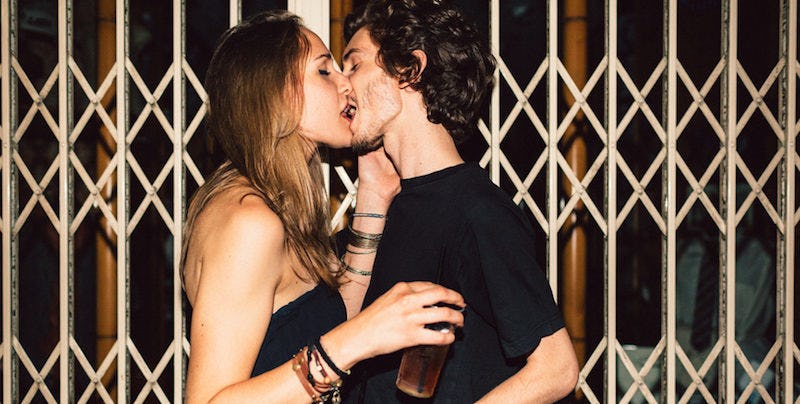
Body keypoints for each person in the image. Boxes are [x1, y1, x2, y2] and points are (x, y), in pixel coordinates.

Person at [180, 10, 465, 403]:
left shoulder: (282, 205)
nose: (346, 82)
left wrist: (373, 194)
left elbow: (329, 319)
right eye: (324, 71)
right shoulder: (249, 221)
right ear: (277, 94)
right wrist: (359, 338)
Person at [337, 1, 580, 402]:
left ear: (409, 70)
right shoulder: (389, 205)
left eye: (355, 65)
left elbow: (556, 368)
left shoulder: (477, 210)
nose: (343, 84)